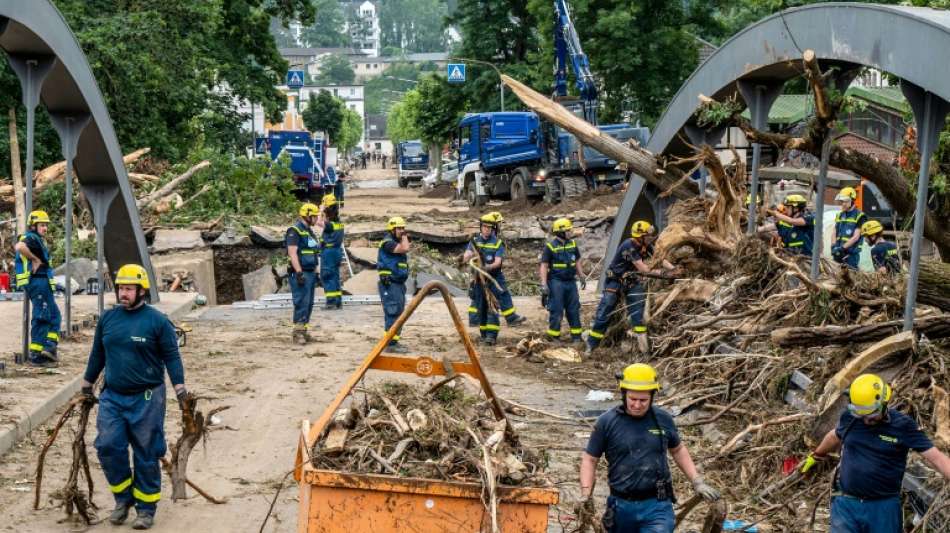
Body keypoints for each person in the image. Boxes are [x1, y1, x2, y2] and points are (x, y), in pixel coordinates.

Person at [81, 264, 189, 530]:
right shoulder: (108, 319)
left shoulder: (157, 321)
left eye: (129, 288)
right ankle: (123, 499)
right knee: (107, 446)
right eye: (120, 288)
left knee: (146, 453)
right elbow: (97, 355)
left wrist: (180, 390)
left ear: (142, 291)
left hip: (148, 398)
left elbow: (172, 357)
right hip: (113, 397)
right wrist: (86, 386)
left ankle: (146, 508)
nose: (123, 293)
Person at [580, 364, 720, 532]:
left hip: (657, 505)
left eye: (643, 400)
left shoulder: (663, 419)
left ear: (652, 397)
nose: (637, 405)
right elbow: (590, 459)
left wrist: (697, 482)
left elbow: (678, 450)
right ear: (623, 394)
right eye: (633, 399)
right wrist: (585, 495)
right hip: (621, 506)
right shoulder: (606, 422)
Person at [801, 373, 950, 532]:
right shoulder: (850, 419)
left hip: (883, 508)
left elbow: (937, 458)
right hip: (846, 505)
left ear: (884, 403)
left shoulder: (903, 426)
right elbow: (834, 435)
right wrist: (816, 456)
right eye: (861, 414)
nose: (866, 420)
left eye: (871, 414)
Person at [586, 220, 676, 356]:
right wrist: (665, 274)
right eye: (649, 235)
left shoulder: (646, 245)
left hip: (632, 282)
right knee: (604, 313)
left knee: (638, 317)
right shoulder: (630, 245)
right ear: (640, 236)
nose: (652, 238)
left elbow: (660, 259)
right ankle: (591, 346)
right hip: (615, 282)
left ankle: (644, 351)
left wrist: (674, 269)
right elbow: (644, 269)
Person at [463, 212, 526, 345]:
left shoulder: (497, 243)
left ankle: (491, 337)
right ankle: (483, 333)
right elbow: (466, 256)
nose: (486, 229)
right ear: (481, 227)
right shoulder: (474, 242)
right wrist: (468, 257)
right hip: (479, 281)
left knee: (493, 307)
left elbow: (497, 262)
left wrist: (487, 268)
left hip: (493, 279)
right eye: (484, 227)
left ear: (493, 229)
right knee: (481, 307)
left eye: (489, 228)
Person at [13, 210, 61, 366]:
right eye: (42, 225)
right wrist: (34, 259)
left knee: (54, 316)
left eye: (46, 225)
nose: (45, 228)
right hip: (37, 282)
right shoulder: (31, 237)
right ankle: (36, 355)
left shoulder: (37, 239)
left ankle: (49, 348)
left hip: (43, 283)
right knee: (42, 317)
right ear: (33, 226)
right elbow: (19, 246)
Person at [539, 217, 585, 343]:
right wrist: (544, 284)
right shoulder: (550, 247)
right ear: (560, 232)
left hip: (570, 281)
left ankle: (576, 337)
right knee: (557, 309)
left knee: (573, 308)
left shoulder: (573, 244)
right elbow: (544, 265)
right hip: (556, 282)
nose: (571, 232)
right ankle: (554, 337)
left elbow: (577, 260)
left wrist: (581, 275)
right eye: (568, 230)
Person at [286, 203, 320, 344]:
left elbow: (314, 253)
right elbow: (292, 253)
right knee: (301, 302)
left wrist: (317, 273)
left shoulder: (309, 232)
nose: (317, 219)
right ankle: (297, 333)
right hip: (301, 272)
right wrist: (299, 272)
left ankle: (304, 331)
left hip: (310, 272)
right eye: (315, 216)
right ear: (307, 215)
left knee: (309, 303)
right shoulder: (294, 231)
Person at [378, 216, 411, 353]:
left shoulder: (394, 241)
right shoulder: (388, 243)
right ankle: (390, 344)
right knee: (393, 311)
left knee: (399, 313)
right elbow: (405, 248)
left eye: (403, 228)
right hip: (389, 283)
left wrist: (403, 236)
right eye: (399, 228)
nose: (401, 231)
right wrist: (405, 237)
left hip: (398, 283)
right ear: (392, 229)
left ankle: (394, 341)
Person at [316, 194, 344, 309]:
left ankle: (331, 302)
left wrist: (320, 210)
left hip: (329, 252)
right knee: (335, 275)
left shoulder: (330, 225)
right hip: (336, 251)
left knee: (327, 275)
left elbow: (318, 222)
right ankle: (337, 301)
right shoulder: (338, 223)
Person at [832, 187, 867, 269]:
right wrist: (833, 246)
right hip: (838, 252)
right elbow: (834, 232)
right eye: (842, 201)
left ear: (852, 200)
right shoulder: (840, 215)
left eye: (845, 201)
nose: (843, 204)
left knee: (851, 277)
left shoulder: (860, 216)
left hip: (851, 255)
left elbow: (856, 237)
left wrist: (842, 248)